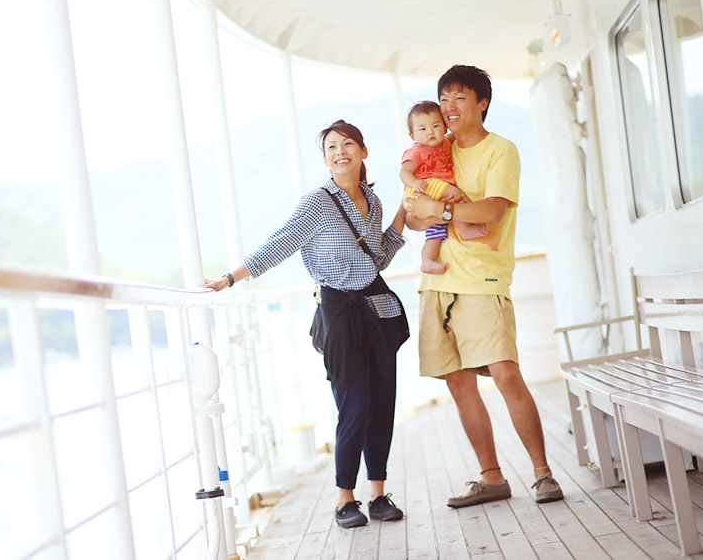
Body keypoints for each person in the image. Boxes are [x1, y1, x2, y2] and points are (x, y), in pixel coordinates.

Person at [206, 120, 410, 528]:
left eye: (348, 144)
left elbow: (379, 259)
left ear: (363, 152)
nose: (340, 152)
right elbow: (280, 242)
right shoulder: (317, 202)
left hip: (377, 309)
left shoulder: (373, 199)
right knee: (354, 407)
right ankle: (344, 500)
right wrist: (229, 279)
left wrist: (405, 210)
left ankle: (378, 494)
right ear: (325, 159)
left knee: (382, 404)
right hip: (338, 314)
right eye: (331, 147)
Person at [404, 66, 564, 507]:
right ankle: (492, 478)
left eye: (459, 98)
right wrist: (437, 210)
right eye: (444, 98)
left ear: (482, 103)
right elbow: (416, 216)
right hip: (437, 283)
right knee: (457, 384)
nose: (449, 108)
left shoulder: (500, 150)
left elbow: (492, 211)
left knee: (506, 373)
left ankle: (543, 473)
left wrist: (448, 213)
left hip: (484, 279)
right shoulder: (435, 148)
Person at [400, 101, 487, 274]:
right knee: (455, 194)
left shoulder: (446, 143)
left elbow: (458, 133)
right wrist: (415, 182)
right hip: (421, 189)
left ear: (445, 128)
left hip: (435, 194)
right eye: (423, 129)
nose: (430, 132)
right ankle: (466, 228)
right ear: (412, 135)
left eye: (436, 125)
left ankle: (427, 261)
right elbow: (404, 172)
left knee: (435, 234)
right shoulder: (416, 151)